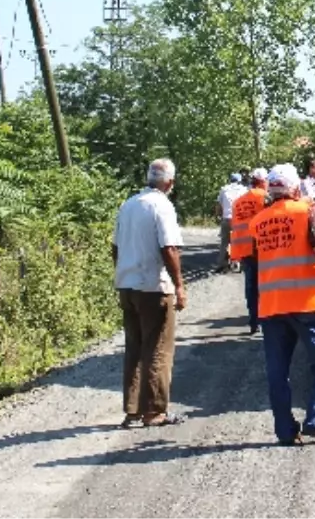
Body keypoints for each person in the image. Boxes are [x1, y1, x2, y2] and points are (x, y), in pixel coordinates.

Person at [250, 163, 315, 446]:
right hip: (310, 304)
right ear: (295, 188)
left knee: (277, 372)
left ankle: (285, 432)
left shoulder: (258, 222)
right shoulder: (305, 212)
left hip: (272, 306)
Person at [112, 158, 186, 429]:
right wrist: (179, 285)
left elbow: (115, 247)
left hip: (127, 284)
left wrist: (123, 273)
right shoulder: (162, 206)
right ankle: (154, 411)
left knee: (134, 348)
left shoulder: (128, 204)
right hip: (153, 287)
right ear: (170, 183)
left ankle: (132, 411)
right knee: (157, 348)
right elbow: (169, 248)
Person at [229, 167, 270, 335]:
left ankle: (254, 321)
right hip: (262, 248)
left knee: (251, 286)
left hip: (245, 249)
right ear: (262, 182)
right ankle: (267, 319)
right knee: (266, 286)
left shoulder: (238, 202)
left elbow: (235, 227)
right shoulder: (265, 198)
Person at [215, 173, 247, 273]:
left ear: (230, 180)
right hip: (239, 220)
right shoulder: (244, 190)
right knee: (238, 242)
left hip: (227, 218)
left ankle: (222, 265)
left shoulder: (224, 189)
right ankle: (237, 263)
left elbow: (219, 205)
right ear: (239, 180)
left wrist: (218, 216)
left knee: (224, 242)